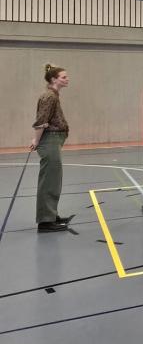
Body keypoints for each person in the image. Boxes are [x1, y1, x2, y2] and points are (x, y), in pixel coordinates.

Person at [30, 64, 72, 232]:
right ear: (54, 79)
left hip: (53, 141)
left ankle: (51, 215)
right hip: (49, 141)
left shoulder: (53, 95)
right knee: (49, 182)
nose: (67, 79)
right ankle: (45, 222)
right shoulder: (49, 97)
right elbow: (41, 121)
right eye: (63, 77)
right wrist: (36, 140)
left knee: (54, 180)